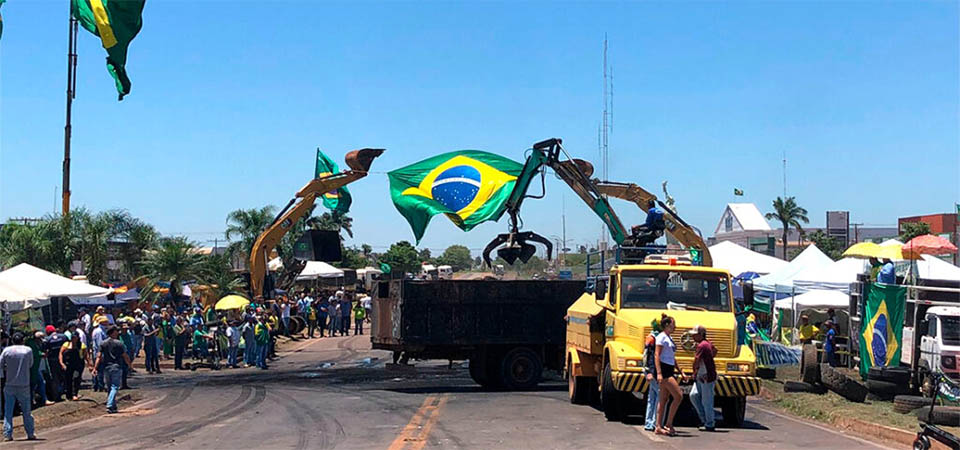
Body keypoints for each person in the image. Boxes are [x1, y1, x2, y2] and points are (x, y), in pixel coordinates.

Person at [1, 333, 37, 441]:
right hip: (24, 383)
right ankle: (30, 433)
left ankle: (8, 434)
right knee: (26, 410)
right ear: (22, 340)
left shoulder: (7, 351)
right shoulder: (27, 350)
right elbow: (31, 364)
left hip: (10, 383)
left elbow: (1, 364)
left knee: (8, 410)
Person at [91, 326, 132, 414]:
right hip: (116, 367)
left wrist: (95, 367)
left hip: (106, 367)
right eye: (116, 331)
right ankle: (109, 404)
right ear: (113, 332)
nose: (118, 332)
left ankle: (113, 406)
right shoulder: (119, 343)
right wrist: (129, 365)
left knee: (110, 387)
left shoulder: (103, 343)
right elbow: (125, 356)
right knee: (114, 387)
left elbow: (99, 356)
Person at [654, 314, 681, 437]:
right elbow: (657, 355)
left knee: (664, 399)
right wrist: (659, 373)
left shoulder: (669, 338)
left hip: (670, 368)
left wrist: (680, 371)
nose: (674, 327)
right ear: (666, 325)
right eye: (672, 325)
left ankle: (658, 426)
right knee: (678, 396)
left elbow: (672, 357)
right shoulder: (661, 338)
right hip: (664, 370)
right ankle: (669, 423)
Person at [689, 325, 718, 432]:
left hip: (706, 376)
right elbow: (715, 351)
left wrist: (694, 371)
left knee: (707, 401)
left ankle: (709, 423)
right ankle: (704, 419)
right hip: (702, 375)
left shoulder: (702, 346)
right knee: (694, 395)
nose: (693, 337)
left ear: (700, 335)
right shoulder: (708, 343)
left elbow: (696, 360)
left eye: (695, 335)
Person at [643, 319, 662, 432]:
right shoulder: (653, 339)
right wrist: (649, 372)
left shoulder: (652, 337)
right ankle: (654, 422)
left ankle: (649, 422)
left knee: (652, 397)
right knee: (660, 396)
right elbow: (649, 356)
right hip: (652, 371)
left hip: (652, 371)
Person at [25, 332, 52, 407]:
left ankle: (42, 399)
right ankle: (40, 400)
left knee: (39, 383)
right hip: (31, 368)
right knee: (34, 384)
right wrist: (42, 354)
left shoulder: (36, 344)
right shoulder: (30, 343)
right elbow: (34, 353)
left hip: (36, 367)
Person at [59, 331, 87, 401]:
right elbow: (61, 353)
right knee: (68, 379)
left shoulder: (81, 345)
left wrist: (89, 364)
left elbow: (85, 355)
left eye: (75, 337)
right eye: (72, 337)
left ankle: (75, 394)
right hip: (68, 364)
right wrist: (62, 363)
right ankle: (69, 395)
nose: (74, 339)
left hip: (78, 364)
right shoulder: (66, 344)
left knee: (76, 378)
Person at [43, 325, 67, 402]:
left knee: (55, 378)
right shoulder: (63, 336)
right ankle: (66, 392)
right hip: (64, 359)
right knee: (65, 376)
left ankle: (56, 396)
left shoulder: (47, 339)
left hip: (52, 361)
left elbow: (45, 351)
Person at [90, 323, 106, 392]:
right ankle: (100, 386)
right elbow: (100, 344)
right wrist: (101, 354)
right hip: (98, 354)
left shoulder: (96, 330)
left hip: (96, 353)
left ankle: (95, 385)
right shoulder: (100, 331)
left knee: (96, 369)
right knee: (100, 370)